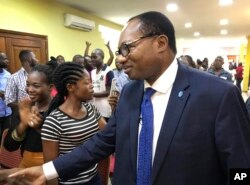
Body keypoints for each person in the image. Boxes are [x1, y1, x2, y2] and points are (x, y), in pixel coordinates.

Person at [2, 11, 250, 185]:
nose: (120, 58)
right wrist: (47, 170)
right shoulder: (131, 92)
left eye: (126, 48)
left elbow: (241, 168)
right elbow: (101, 143)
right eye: (119, 51)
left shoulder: (217, 95)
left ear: (160, 43)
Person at [41, 62, 106, 185]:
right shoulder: (54, 121)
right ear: (70, 87)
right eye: (87, 82)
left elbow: (108, 136)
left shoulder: (91, 109)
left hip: (93, 178)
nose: (92, 86)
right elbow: (50, 168)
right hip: (69, 182)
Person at [3, 63, 55, 168]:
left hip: (54, 167)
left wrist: (38, 127)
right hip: (27, 165)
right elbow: (9, 147)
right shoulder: (25, 108)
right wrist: (23, 124)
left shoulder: (58, 109)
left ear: (50, 87)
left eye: (36, 85)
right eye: (28, 84)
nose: (30, 89)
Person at [90, 48, 114, 121]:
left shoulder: (108, 71)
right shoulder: (92, 72)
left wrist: (92, 94)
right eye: (91, 57)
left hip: (105, 109)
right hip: (94, 108)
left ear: (102, 57)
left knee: (104, 130)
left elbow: (108, 92)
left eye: (95, 57)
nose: (92, 59)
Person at [0, 51, 11, 142]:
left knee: (5, 140)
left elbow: (11, 92)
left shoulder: (8, 75)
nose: (7, 61)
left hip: (7, 113)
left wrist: (5, 95)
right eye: (4, 59)